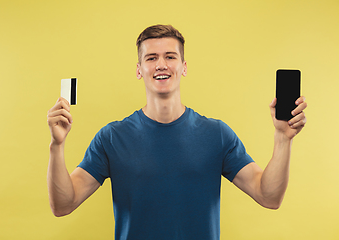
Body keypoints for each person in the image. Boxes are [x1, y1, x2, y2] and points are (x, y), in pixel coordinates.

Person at [47, 24, 307, 239]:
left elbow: (269, 196)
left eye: (170, 56)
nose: (161, 65)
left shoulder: (217, 134)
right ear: (139, 70)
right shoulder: (111, 138)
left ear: (184, 67)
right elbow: (63, 204)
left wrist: (283, 139)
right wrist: (56, 147)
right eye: (151, 58)